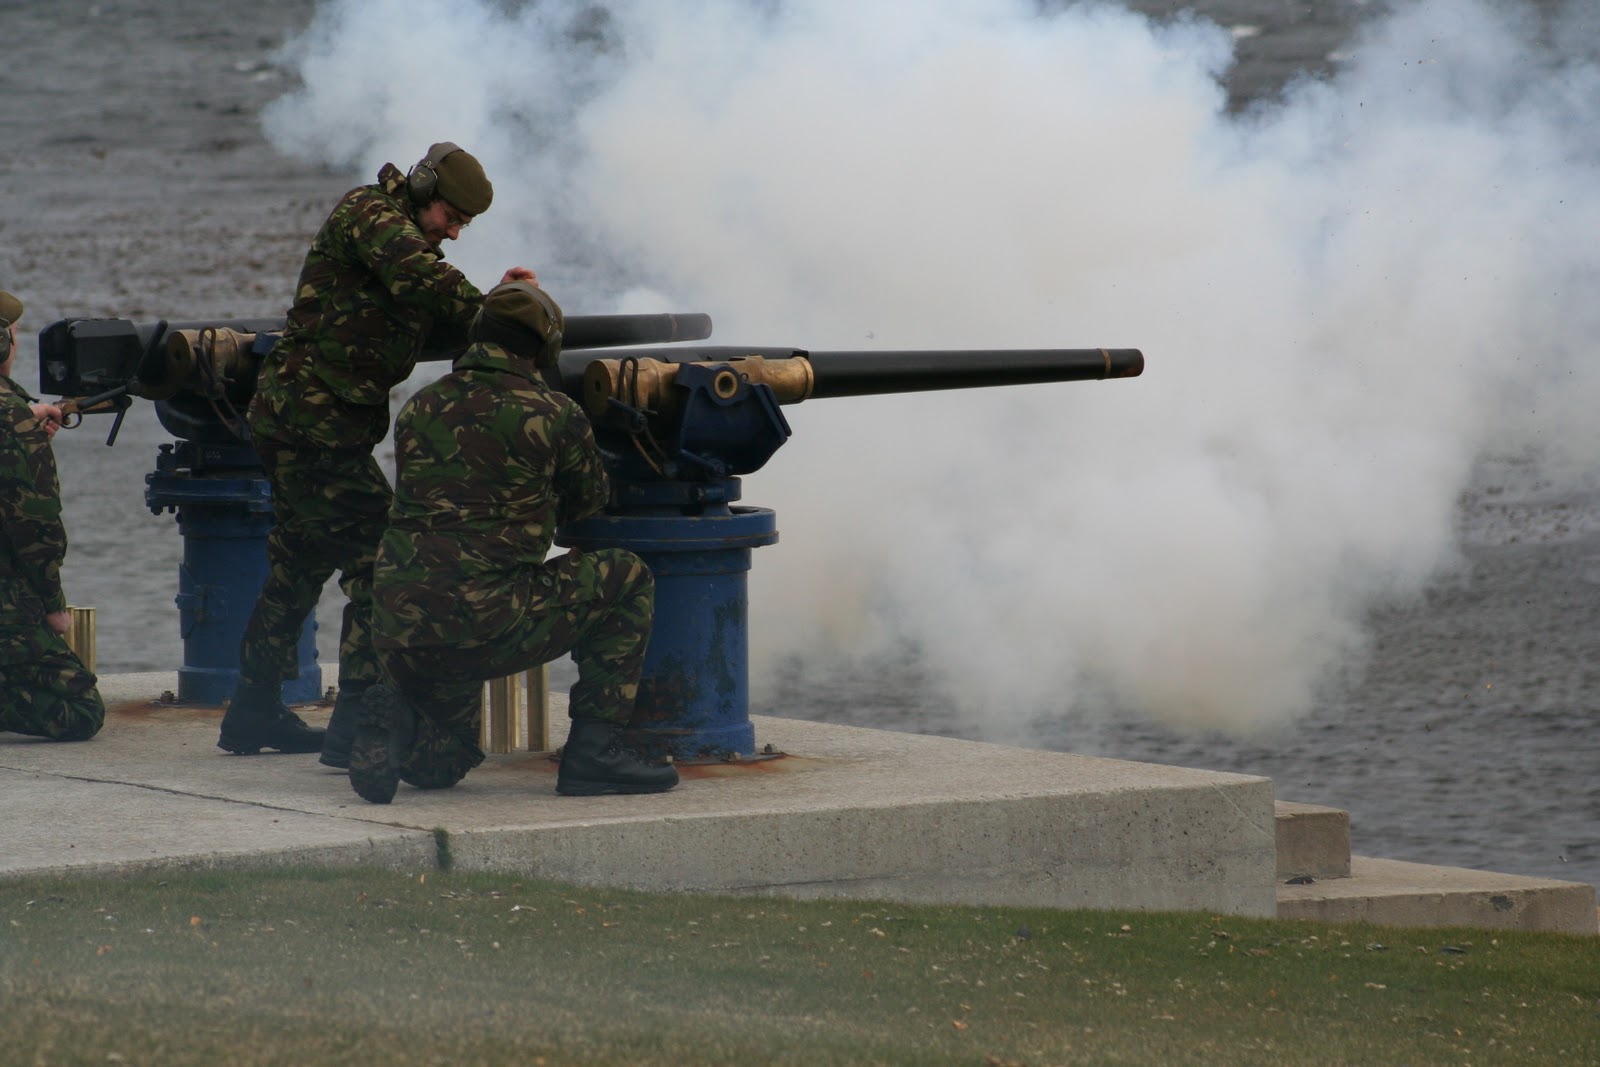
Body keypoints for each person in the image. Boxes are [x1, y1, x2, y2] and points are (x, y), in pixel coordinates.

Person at [218, 142, 535, 760]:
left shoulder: (407, 244)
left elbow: (434, 313)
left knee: (297, 564)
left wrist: (494, 301)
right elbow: (422, 278)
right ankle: (356, 730)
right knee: (382, 567)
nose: (455, 232)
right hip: (311, 426)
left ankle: (252, 712)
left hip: (306, 422)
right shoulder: (370, 215)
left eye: (464, 225)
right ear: (421, 188)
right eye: (453, 216)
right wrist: (506, 311)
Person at [350, 280, 678, 804]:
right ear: (544, 349)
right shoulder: (553, 414)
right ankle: (595, 752)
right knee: (625, 576)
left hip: (401, 623)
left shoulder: (419, 407)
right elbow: (589, 503)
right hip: (486, 619)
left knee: (450, 759)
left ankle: (403, 724)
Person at [0, 289, 106, 742]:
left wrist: (26, 425)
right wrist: (52, 608)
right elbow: (37, 530)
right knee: (81, 709)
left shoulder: (14, 417)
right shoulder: (13, 421)